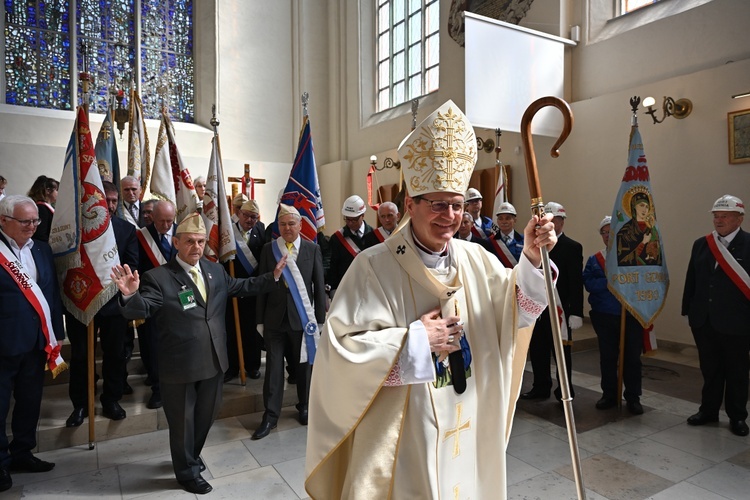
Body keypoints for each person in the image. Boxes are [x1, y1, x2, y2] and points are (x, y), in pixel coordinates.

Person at [305, 100, 558, 498]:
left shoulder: (478, 258)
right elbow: (339, 354)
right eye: (438, 204)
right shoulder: (373, 267)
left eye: (457, 205)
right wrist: (416, 341)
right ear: (410, 205)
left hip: (469, 412)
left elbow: (516, 314)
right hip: (406, 431)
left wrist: (529, 257)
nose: (449, 215)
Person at [111, 212, 287, 494]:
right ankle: (187, 471)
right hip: (180, 365)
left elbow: (241, 286)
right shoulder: (158, 277)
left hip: (214, 360)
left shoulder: (215, 270)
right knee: (182, 422)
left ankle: (188, 456)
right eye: (190, 241)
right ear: (177, 243)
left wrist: (272, 277)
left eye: (201, 241)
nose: (196, 247)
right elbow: (141, 310)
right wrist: (131, 295)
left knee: (206, 416)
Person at [0, 195, 65, 492]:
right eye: (25, 221)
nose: (32, 226)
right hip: (4, 344)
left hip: (37, 342)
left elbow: (50, 295)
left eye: (35, 221)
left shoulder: (42, 248)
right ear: (4, 221)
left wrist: (55, 333)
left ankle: (22, 452)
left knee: (29, 402)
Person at [65, 181, 139, 426]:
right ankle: (81, 404)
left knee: (115, 354)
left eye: (114, 201)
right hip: (82, 302)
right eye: (104, 200)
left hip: (113, 304)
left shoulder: (126, 230)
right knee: (80, 356)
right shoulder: (76, 230)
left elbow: (131, 264)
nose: (109, 205)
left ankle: (111, 399)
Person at [253, 204, 326, 439]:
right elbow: (262, 285)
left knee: (304, 368)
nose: (286, 228)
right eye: (282, 224)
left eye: (291, 223)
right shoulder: (268, 250)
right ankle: (270, 416)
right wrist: (259, 320)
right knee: (273, 370)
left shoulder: (312, 249)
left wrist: (320, 322)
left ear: (300, 226)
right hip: (274, 321)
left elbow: (318, 287)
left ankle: (304, 407)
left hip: (302, 321)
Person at [682, 194, 749, 437]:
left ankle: (737, 416)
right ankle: (708, 410)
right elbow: (693, 279)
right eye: (716, 216)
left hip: (737, 324)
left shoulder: (749, 244)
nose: (719, 221)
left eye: (725, 216)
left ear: (739, 218)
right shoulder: (702, 244)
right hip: (704, 320)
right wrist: (688, 310)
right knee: (710, 370)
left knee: (737, 372)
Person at [520, 201, 583, 402]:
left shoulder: (572, 247)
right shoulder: (534, 244)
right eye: (548, 220)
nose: (552, 224)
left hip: (560, 311)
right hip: (538, 308)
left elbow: (575, 281)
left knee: (562, 354)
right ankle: (541, 387)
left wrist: (577, 312)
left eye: (556, 220)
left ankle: (565, 390)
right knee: (538, 349)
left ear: (562, 221)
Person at [583, 215, 644, 415]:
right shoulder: (595, 259)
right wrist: (610, 283)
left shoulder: (634, 257)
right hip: (604, 316)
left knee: (632, 359)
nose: (608, 235)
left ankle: (633, 397)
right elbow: (588, 284)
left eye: (612, 231)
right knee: (608, 357)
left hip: (631, 316)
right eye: (605, 232)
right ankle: (609, 394)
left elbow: (642, 282)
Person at [134, 200, 178, 409]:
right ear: (152, 217)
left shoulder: (181, 233)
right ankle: (158, 388)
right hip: (152, 300)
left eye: (170, 221)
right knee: (152, 345)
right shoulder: (141, 236)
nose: (166, 226)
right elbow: (137, 269)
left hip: (180, 300)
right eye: (162, 221)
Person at [224, 199, 267, 382]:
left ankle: (253, 365)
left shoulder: (261, 230)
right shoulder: (228, 230)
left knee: (252, 330)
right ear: (239, 214)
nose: (250, 220)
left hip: (253, 290)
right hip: (232, 288)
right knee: (232, 329)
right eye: (247, 215)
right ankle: (233, 367)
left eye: (254, 217)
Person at [328, 194, 373, 294]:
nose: (350, 223)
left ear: (362, 216)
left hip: (369, 289)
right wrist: (332, 289)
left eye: (354, 219)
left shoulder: (373, 236)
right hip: (345, 290)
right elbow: (332, 267)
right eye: (347, 219)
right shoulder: (337, 239)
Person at [616, 189, 662, 266]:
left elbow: (658, 259)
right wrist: (643, 243)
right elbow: (621, 260)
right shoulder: (625, 232)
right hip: (630, 275)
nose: (644, 209)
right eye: (641, 205)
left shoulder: (652, 230)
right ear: (634, 206)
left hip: (649, 275)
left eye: (647, 207)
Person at [489, 202, 524, 268]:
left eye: (508, 218)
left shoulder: (524, 240)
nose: (504, 221)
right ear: (497, 221)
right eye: (500, 218)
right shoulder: (490, 242)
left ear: (515, 220)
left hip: (518, 277)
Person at [27, 175, 59, 243]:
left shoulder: (48, 206)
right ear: (48, 191)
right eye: (56, 190)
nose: (58, 193)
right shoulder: (41, 208)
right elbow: (40, 234)